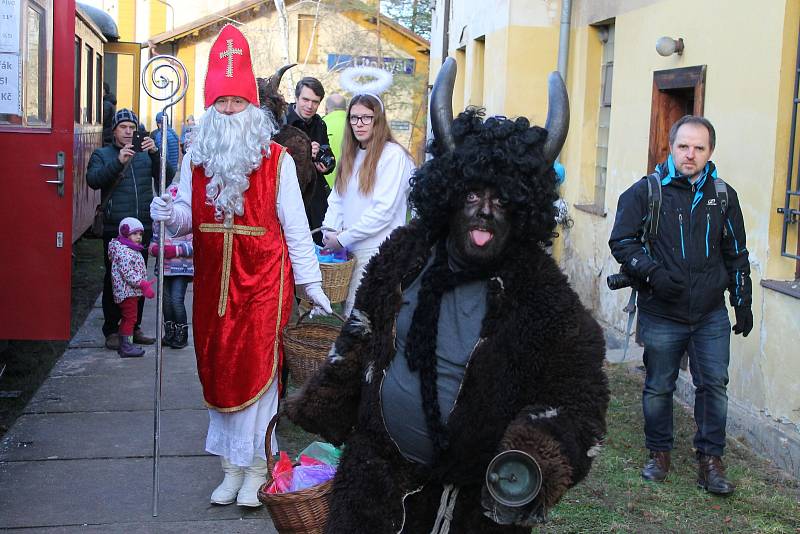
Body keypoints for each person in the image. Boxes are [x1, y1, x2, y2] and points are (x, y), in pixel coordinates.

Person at [285, 63, 609, 532]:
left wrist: (533, 454)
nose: (484, 212)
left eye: (502, 201)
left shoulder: (544, 295)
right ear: (449, 196)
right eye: (473, 195)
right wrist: (327, 397)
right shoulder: (406, 253)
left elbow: (579, 401)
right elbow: (360, 331)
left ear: (523, 211)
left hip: (473, 509)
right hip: (375, 489)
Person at [149, 24, 332, 508]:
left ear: (253, 107)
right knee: (218, 371)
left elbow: (295, 227)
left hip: (264, 286)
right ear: (211, 108)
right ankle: (230, 468)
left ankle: (256, 467)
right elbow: (187, 219)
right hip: (215, 287)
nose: (229, 111)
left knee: (259, 375)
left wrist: (311, 284)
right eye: (221, 104)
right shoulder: (197, 157)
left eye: (236, 103)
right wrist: (172, 213)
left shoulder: (277, 161)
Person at [609, 115, 751, 495]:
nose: (690, 154)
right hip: (661, 311)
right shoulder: (647, 191)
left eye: (699, 148)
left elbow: (736, 252)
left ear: (710, 152)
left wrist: (743, 302)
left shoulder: (723, 195)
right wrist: (652, 272)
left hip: (709, 315)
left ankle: (710, 462)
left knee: (714, 387)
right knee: (658, 387)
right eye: (684, 146)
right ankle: (659, 453)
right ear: (670, 147)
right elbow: (622, 241)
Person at [87, 108, 175, 350]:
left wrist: (156, 153)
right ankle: (112, 330)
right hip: (116, 228)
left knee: (138, 279)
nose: (128, 132)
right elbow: (93, 180)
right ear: (114, 131)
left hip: (142, 226)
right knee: (114, 280)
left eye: (132, 128)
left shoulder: (145, 155)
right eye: (123, 127)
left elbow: (167, 176)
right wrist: (118, 162)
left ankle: (132, 328)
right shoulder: (103, 154)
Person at [321, 93, 415, 315]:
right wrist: (329, 232)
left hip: (378, 252)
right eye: (354, 118)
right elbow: (337, 199)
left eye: (366, 118)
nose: (359, 124)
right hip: (350, 251)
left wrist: (342, 238)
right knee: (349, 318)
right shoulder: (351, 154)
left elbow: (383, 211)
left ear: (378, 120)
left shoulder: (393, 156)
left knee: (362, 320)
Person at [286, 76, 336, 244]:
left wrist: (325, 165)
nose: (309, 106)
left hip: (315, 199)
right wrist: (304, 151)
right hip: (288, 196)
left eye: (315, 102)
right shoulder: (282, 120)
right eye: (305, 100)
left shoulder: (319, 124)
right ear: (296, 98)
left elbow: (328, 156)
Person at [148, 183, 193, 349]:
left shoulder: (186, 223)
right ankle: (170, 332)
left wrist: (174, 250)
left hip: (182, 268)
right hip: (164, 268)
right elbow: (153, 241)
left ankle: (182, 334)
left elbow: (194, 246)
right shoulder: (159, 222)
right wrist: (155, 249)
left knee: (176, 300)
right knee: (165, 302)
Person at [108, 217, 156, 358]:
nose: (139, 237)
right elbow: (127, 273)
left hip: (129, 291)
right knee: (130, 319)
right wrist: (142, 284)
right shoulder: (125, 252)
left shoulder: (127, 249)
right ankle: (126, 346)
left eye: (140, 234)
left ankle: (125, 344)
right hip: (127, 292)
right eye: (135, 234)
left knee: (127, 319)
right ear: (125, 233)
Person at [322, 92, 347, 184]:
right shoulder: (356, 126)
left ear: (326, 109)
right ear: (346, 109)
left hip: (325, 185)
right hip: (350, 185)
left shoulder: (320, 125)